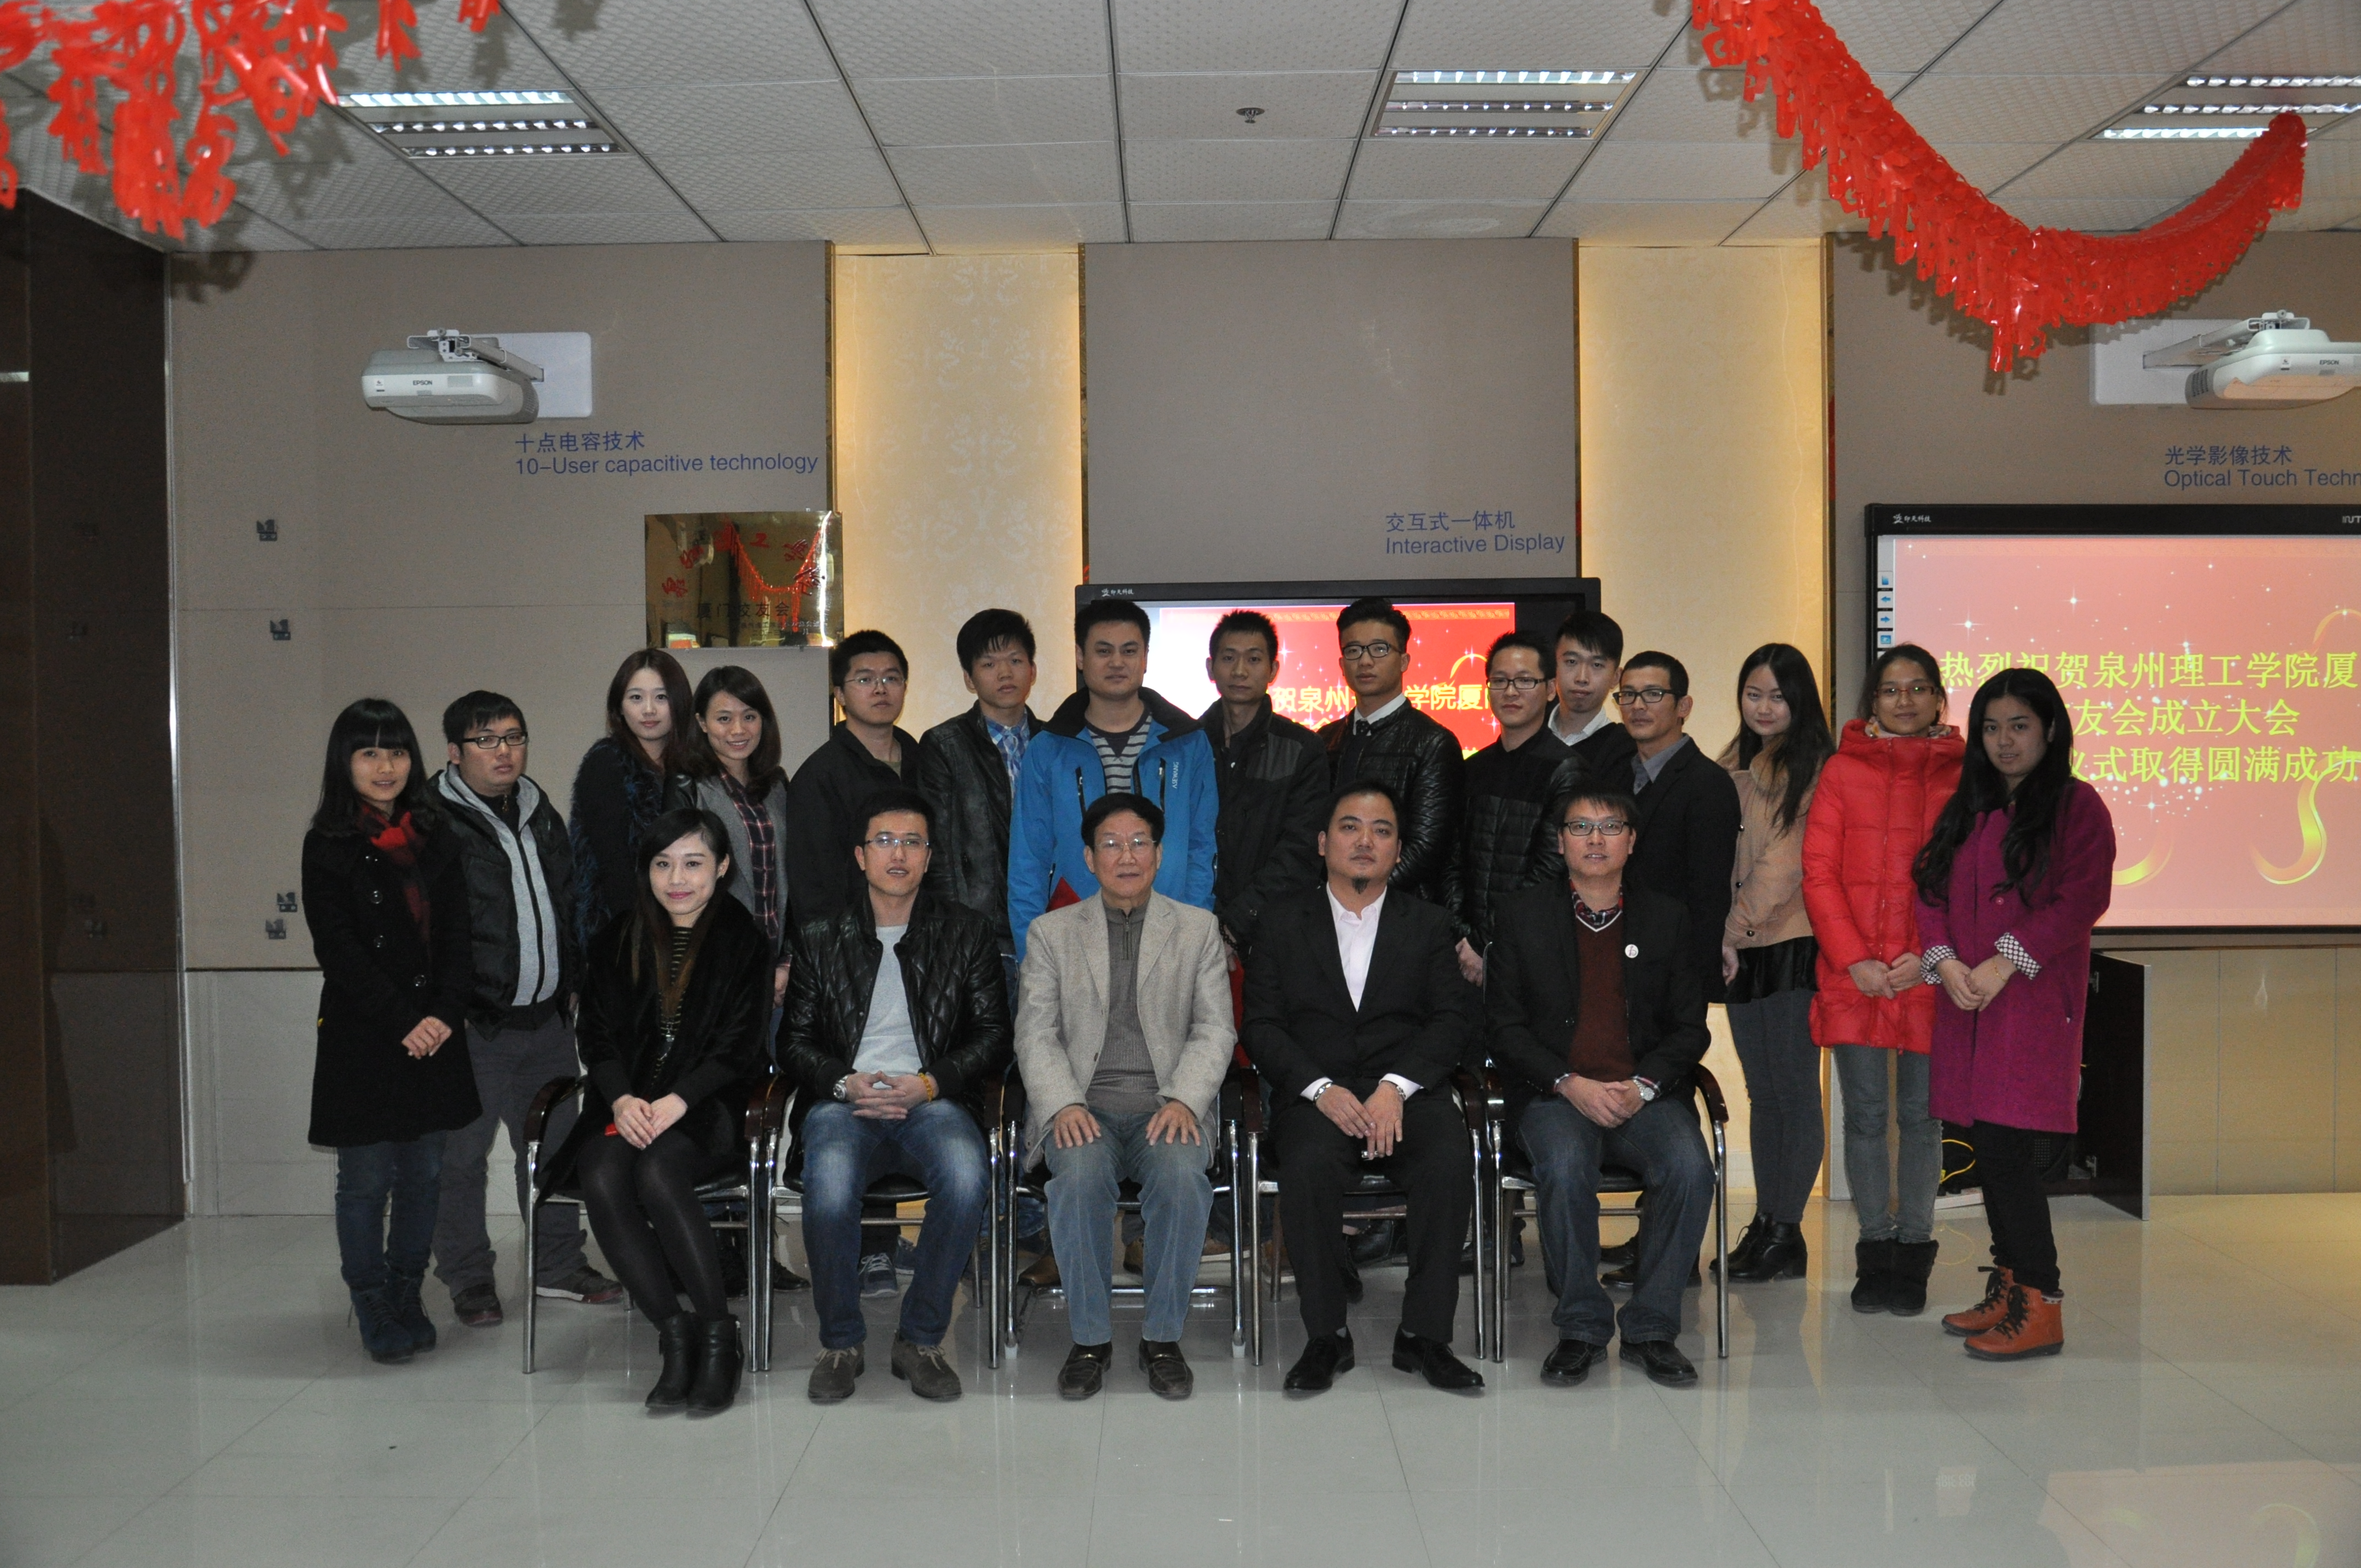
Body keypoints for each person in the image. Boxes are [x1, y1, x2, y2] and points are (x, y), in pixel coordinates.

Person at [1243, 781, 1482, 1395]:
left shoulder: (1429, 924)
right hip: (1316, 1097)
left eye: (1382, 830)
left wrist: (1395, 1087)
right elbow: (1262, 1025)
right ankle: (1327, 1336)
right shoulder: (1280, 922)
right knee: (1307, 1166)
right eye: (1350, 827)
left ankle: (1425, 1336)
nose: (1365, 841)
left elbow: (1450, 1021)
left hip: (1405, 1093)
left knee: (1447, 1160)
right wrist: (1318, 1088)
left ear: (1398, 849)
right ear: (1323, 843)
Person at [780, 787, 1011, 1404]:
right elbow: (793, 1041)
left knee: (966, 1176)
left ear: (930, 857)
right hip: (844, 1102)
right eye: (884, 841)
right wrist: (844, 1081)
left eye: (912, 842)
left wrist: (930, 1083)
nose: (898, 854)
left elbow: (994, 1036)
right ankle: (841, 1342)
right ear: (861, 856)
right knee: (830, 1187)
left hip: (931, 1099)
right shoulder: (820, 936)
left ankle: (921, 1337)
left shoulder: (966, 932)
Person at [540, 808, 771, 1414]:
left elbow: (740, 1045)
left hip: (709, 1104)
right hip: (630, 1100)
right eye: (663, 864)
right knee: (601, 1173)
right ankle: (674, 1332)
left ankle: (719, 1334)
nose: (677, 879)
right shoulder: (618, 936)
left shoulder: (744, 941)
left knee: (658, 1171)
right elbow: (597, 1034)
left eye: (693, 863)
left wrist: (678, 1099)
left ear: (722, 867)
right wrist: (622, 1098)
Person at [1485, 786, 1716, 1388]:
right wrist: (1567, 1082)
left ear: (1631, 842)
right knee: (1564, 1166)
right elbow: (1503, 1027)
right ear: (1560, 841)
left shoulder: (1667, 917)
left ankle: (1651, 1328)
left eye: (1610, 827)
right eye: (1580, 827)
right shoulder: (1521, 915)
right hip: (1556, 1095)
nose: (1595, 839)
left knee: (1691, 1167)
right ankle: (1582, 1328)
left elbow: (1689, 1028)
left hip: (1644, 1095)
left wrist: (1644, 1084)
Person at [1918, 670, 2113, 1362]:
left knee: (2006, 1153)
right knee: (1986, 1147)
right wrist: (1943, 960)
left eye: (2019, 726)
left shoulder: (2075, 805)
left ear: (2049, 729)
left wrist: (2005, 961)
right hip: (1965, 1001)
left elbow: (2082, 897)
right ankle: (2007, 1287)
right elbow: (1929, 889)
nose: (2004, 741)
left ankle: (2041, 1300)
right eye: (1992, 728)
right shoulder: (1967, 803)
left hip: (2027, 1002)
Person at [1014, 793, 1235, 1401]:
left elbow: (1215, 1029)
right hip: (1082, 1106)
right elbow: (1035, 1032)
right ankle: (1090, 1340)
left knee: (1182, 1177)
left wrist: (1185, 1099)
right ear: (1089, 858)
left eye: (1139, 843)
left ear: (1159, 855)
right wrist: (1063, 1104)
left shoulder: (1197, 929)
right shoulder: (1052, 933)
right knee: (1079, 1179)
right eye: (1111, 844)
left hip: (1166, 1106)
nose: (1127, 856)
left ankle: (1162, 1338)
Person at [431, 692, 622, 1330]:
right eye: (486, 740)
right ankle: (468, 1276)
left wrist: (575, 978)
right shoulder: (432, 821)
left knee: (555, 1149)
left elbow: (570, 902)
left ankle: (558, 1265)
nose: (504, 751)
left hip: (547, 1021)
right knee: (461, 1158)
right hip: (475, 1028)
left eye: (514, 737)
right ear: (454, 751)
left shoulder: (540, 811)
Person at [302, 699, 480, 1365]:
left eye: (398, 751)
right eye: (369, 752)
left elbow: (459, 936)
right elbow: (339, 951)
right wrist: (406, 1021)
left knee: (425, 1173)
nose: (386, 766)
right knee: (365, 1178)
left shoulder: (437, 834)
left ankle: (408, 1291)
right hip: (367, 1036)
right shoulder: (328, 844)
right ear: (344, 762)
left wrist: (443, 1014)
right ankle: (372, 1299)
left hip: (435, 1032)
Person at [1800, 644, 1964, 1315]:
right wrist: (1853, 959)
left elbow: (1967, 879)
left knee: (1922, 1118)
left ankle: (1914, 1251)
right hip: (1857, 975)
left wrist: (1926, 956)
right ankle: (1875, 1249)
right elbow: (1819, 872)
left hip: (1932, 972)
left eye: (1918, 688)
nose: (1904, 700)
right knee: (1865, 1117)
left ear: (1938, 699)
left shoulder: (1965, 775)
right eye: (1891, 689)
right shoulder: (1842, 770)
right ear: (1873, 700)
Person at [1716, 645, 1836, 1284]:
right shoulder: (1730, 762)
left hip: (1789, 943)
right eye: (1753, 694)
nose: (1763, 708)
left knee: (1793, 1091)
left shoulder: (1815, 768)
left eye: (1778, 696)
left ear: (1800, 701)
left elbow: (1786, 863)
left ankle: (1787, 1230)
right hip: (1740, 947)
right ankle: (1766, 1224)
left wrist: (1731, 930)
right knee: (1762, 1093)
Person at [1007, 597, 1218, 956]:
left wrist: (1193, 939)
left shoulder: (1188, 744)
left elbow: (1202, 849)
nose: (1117, 662)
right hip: (1073, 940)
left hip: (1169, 937)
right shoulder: (1048, 749)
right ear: (1080, 657)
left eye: (1129, 651)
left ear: (1146, 658)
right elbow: (1028, 861)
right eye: (1103, 651)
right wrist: (1033, 958)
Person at [917, 608, 1047, 974]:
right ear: (969, 679)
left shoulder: (1055, 742)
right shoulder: (944, 746)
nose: (1005, 673)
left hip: (1051, 926)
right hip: (978, 935)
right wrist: (955, 936)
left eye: (1015, 661)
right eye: (989, 664)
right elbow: (938, 853)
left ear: (1033, 671)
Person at [1316, 598, 1465, 912]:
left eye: (1379, 649)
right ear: (1342, 664)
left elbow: (1426, 847)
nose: (1365, 661)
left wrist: (1357, 897)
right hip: (1327, 911)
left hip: (1401, 914)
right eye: (1354, 651)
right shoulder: (1325, 740)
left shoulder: (1433, 743)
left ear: (1404, 660)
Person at [1200, 609, 1328, 957]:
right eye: (1229, 658)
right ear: (1211, 668)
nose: (1240, 671)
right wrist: (1204, 926)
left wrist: (1233, 926)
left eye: (1254, 659)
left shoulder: (1302, 749)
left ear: (1273, 670)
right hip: (1195, 930)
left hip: (1275, 935)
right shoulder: (1188, 744)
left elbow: (1300, 852)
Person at [1455, 630, 1579, 985]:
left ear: (1551, 689)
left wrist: (1483, 941)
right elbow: (1452, 860)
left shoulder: (1566, 770)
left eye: (1525, 681)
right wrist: (1462, 935)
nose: (1510, 692)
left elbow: (1550, 870)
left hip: (1531, 950)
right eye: (1500, 681)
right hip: (1463, 950)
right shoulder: (1472, 768)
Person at [1616, 652, 1741, 1001]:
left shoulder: (1708, 784)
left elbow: (1709, 894)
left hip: (1676, 971)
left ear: (1683, 706)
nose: (1637, 706)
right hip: (1617, 961)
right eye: (1628, 695)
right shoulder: (1616, 778)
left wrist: (1694, 980)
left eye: (1653, 694)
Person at [786, 630, 927, 927]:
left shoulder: (927, 761)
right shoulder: (820, 776)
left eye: (891, 678)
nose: (880, 689)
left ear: (905, 687)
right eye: (865, 680)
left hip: (925, 931)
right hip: (850, 937)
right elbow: (812, 885)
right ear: (840, 694)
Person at [679, 665, 795, 1010]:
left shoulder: (777, 786)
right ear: (702, 723)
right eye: (724, 719)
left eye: (749, 716)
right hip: (715, 969)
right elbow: (680, 883)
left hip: (775, 963)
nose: (739, 730)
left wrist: (787, 960)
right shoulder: (688, 787)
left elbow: (794, 875)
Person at [569, 650, 695, 940]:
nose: (649, 710)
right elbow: (614, 867)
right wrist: (645, 938)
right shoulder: (607, 763)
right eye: (636, 698)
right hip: (622, 929)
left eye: (661, 697)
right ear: (620, 707)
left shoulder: (690, 767)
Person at [1546, 609, 1638, 785]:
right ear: (1553, 666)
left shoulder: (1628, 750)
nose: (1582, 678)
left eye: (1596, 665)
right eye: (1571, 662)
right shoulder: (1530, 734)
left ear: (1616, 678)